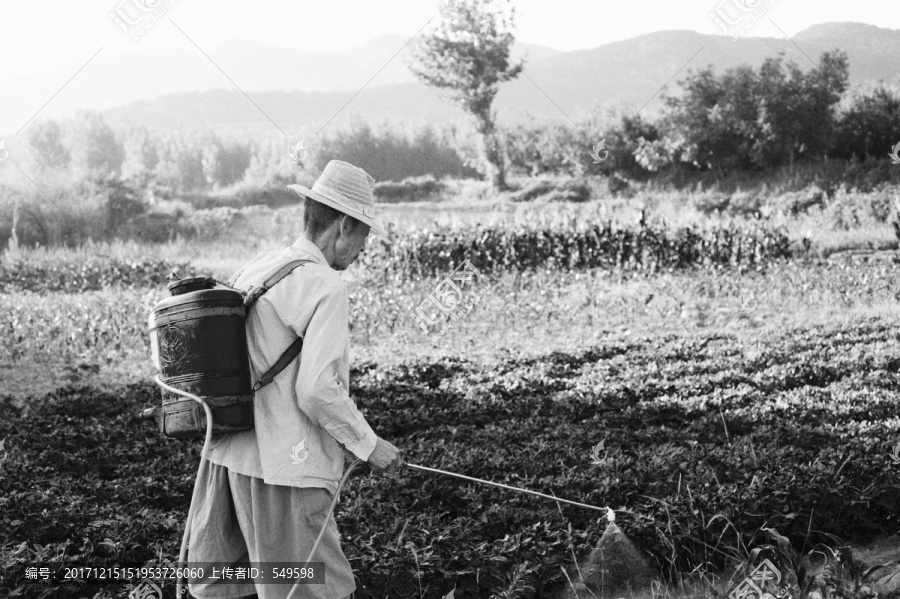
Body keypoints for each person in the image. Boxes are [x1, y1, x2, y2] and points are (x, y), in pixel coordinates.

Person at [187, 160, 403, 599]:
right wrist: (368, 445)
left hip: (228, 458)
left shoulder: (263, 267)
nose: (363, 247)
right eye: (364, 234)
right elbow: (316, 389)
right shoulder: (325, 286)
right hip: (287, 471)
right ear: (344, 225)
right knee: (315, 590)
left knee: (235, 589)